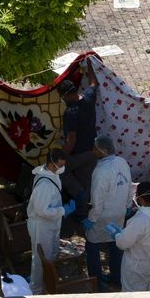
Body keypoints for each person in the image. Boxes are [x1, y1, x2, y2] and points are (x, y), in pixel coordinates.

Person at [83, 135, 132, 289]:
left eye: (95, 148)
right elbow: (129, 184)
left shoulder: (100, 171)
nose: (93, 150)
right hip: (119, 212)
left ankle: (96, 281)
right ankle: (117, 277)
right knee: (115, 244)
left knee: (92, 246)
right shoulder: (122, 162)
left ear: (103, 151)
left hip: (102, 216)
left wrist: (91, 218)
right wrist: (128, 205)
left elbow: (97, 200)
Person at [26, 149, 75, 294]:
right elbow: (42, 210)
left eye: (63, 165)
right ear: (50, 164)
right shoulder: (44, 185)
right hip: (41, 226)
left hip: (49, 224)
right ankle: (35, 288)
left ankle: (44, 281)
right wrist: (63, 210)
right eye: (59, 165)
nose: (62, 168)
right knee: (41, 259)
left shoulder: (50, 174)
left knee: (49, 255)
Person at [106, 181, 150, 292]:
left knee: (132, 296)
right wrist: (124, 233)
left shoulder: (140, 219)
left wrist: (117, 235)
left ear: (139, 198)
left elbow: (123, 243)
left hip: (137, 266)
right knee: (149, 291)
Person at [57, 59, 99, 217]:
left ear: (66, 96)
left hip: (78, 152)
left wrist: (62, 156)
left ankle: (78, 197)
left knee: (59, 171)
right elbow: (94, 83)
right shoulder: (88, 97)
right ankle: (82, 213)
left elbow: (71, 139)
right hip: (92, 150)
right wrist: (89, 64)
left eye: (62, 97)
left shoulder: (71, 112)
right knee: (85, 180)